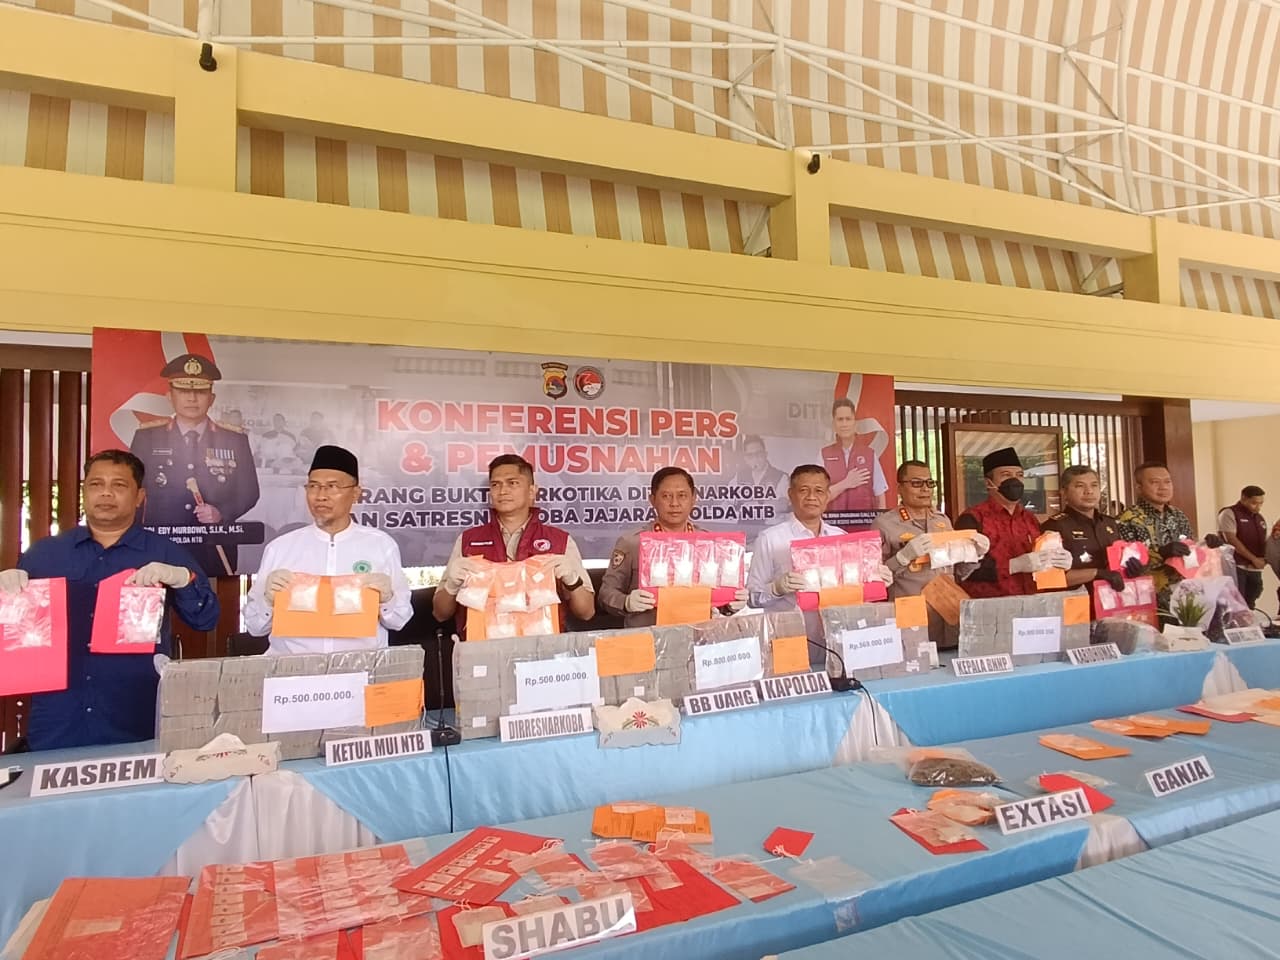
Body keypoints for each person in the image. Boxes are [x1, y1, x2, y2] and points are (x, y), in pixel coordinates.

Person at [0, 450, 218, 751]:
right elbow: (17, 638)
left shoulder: (165, 552)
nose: (106, 493)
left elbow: (206, 619)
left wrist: (184, 579)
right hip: (58, 719)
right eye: (96, 484)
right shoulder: (44, 554)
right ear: (84, 491)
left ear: (139, 496)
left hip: (136, 716)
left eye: (119, 485)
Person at [244, 445, 412, 654]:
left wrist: (387, 600)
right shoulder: (280, 548)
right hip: (293, 669)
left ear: (356, 493)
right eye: (313, 486)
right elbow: (255, 627)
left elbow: (399, 621)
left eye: (332, 487)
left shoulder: (380, 546)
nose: (320, 496)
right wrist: (268, 602)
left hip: (360, 669)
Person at [130, 353, 260, 577]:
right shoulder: (147, 437)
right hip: (161, 546)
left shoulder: (234, 439)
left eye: (200, 392)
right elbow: (134, 493)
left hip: (215, 547)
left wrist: (221, 513)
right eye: (183, 391)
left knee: (217, 599)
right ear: (169, 396)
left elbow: (249, 491)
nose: (192, 398)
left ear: (212, 398)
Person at [433, 455, 595, 628]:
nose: (503, 491)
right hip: (482, 642)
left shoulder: (559, 541)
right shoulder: (468, 540)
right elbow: (440, 614)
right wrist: (451, 586)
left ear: (532, 491)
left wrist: (573, 581)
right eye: (495, 485)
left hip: (542, 643)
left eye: (512, 483)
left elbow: (587, 612)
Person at [600, 467, 748, 627]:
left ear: (694, 499)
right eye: (666, 496)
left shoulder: (710, 544)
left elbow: (717, 599)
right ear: (652, 500)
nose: (674, 503)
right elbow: (605, 594)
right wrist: (626, 602)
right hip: (646, 636)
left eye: (682, 495)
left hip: (696, 635)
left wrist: (730, 605)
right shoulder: (632, 542)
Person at [956, 447, 1070, 598]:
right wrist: (1012, 566)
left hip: (1032, 603)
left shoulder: (1029, 518)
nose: (1014, 480)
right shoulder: (972, 518)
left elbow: (1040, 560)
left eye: (1019, 475)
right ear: (988, 483)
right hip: (990, 605)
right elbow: (964, 570)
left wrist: (1059, 561)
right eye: (1006, 475)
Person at [876, 460, 990, 597]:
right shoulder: (884, 524)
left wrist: (974, 555)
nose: (925, 489)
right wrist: (902, 558)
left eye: (929, 483)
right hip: (908, 605)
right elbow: (873, 578)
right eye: (916, 483)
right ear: (900, 488)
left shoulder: (942, 520)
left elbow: (958, 573)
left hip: (946, 604)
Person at [1116, 461, 1196, 610]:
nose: (1163, 487)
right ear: (1139, 488)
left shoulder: (1178, 515)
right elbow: (1126, 565)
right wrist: (1160, 554)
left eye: (1167, 481)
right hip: (1148, 597)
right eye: (1155, 482)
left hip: (1184, 594)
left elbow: (1191, 550)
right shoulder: (1127, 519)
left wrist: (1207, 546)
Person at [1039, 465, 1127, 593]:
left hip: (1112, 599)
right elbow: (1049, 577)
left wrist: (1131, 567)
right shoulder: (1055, 526)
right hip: (1076, 601)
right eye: (1080, 486)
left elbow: (1120, 561)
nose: (1089, 491)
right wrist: (1096, 573)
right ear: (1064, 492)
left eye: (1094, 485)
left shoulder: (1110, 523)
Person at [821, 398, 889, 514]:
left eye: (848, 419)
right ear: (834, 425)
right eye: (840, 419)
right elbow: (819, 497)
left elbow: (880, 496)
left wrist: (882, 522)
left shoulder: (869, 454)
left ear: (855, 423)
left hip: (864, 522)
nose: (844, 424)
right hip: (833, 522)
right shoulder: (824, 454)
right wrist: (846, 483)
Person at [1217, 485, 1268, 610]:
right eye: (1254, 503)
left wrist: (1265, 560)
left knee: (1250, 603)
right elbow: (1232, 540)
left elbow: (1263, 541)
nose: (1258, 507)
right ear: (1244, 498)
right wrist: (1253, 559)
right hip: (1236, 567)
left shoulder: (1259, 518)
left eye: (1261, 503)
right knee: (1236, 604)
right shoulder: (1229, 513)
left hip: (1254, 569)